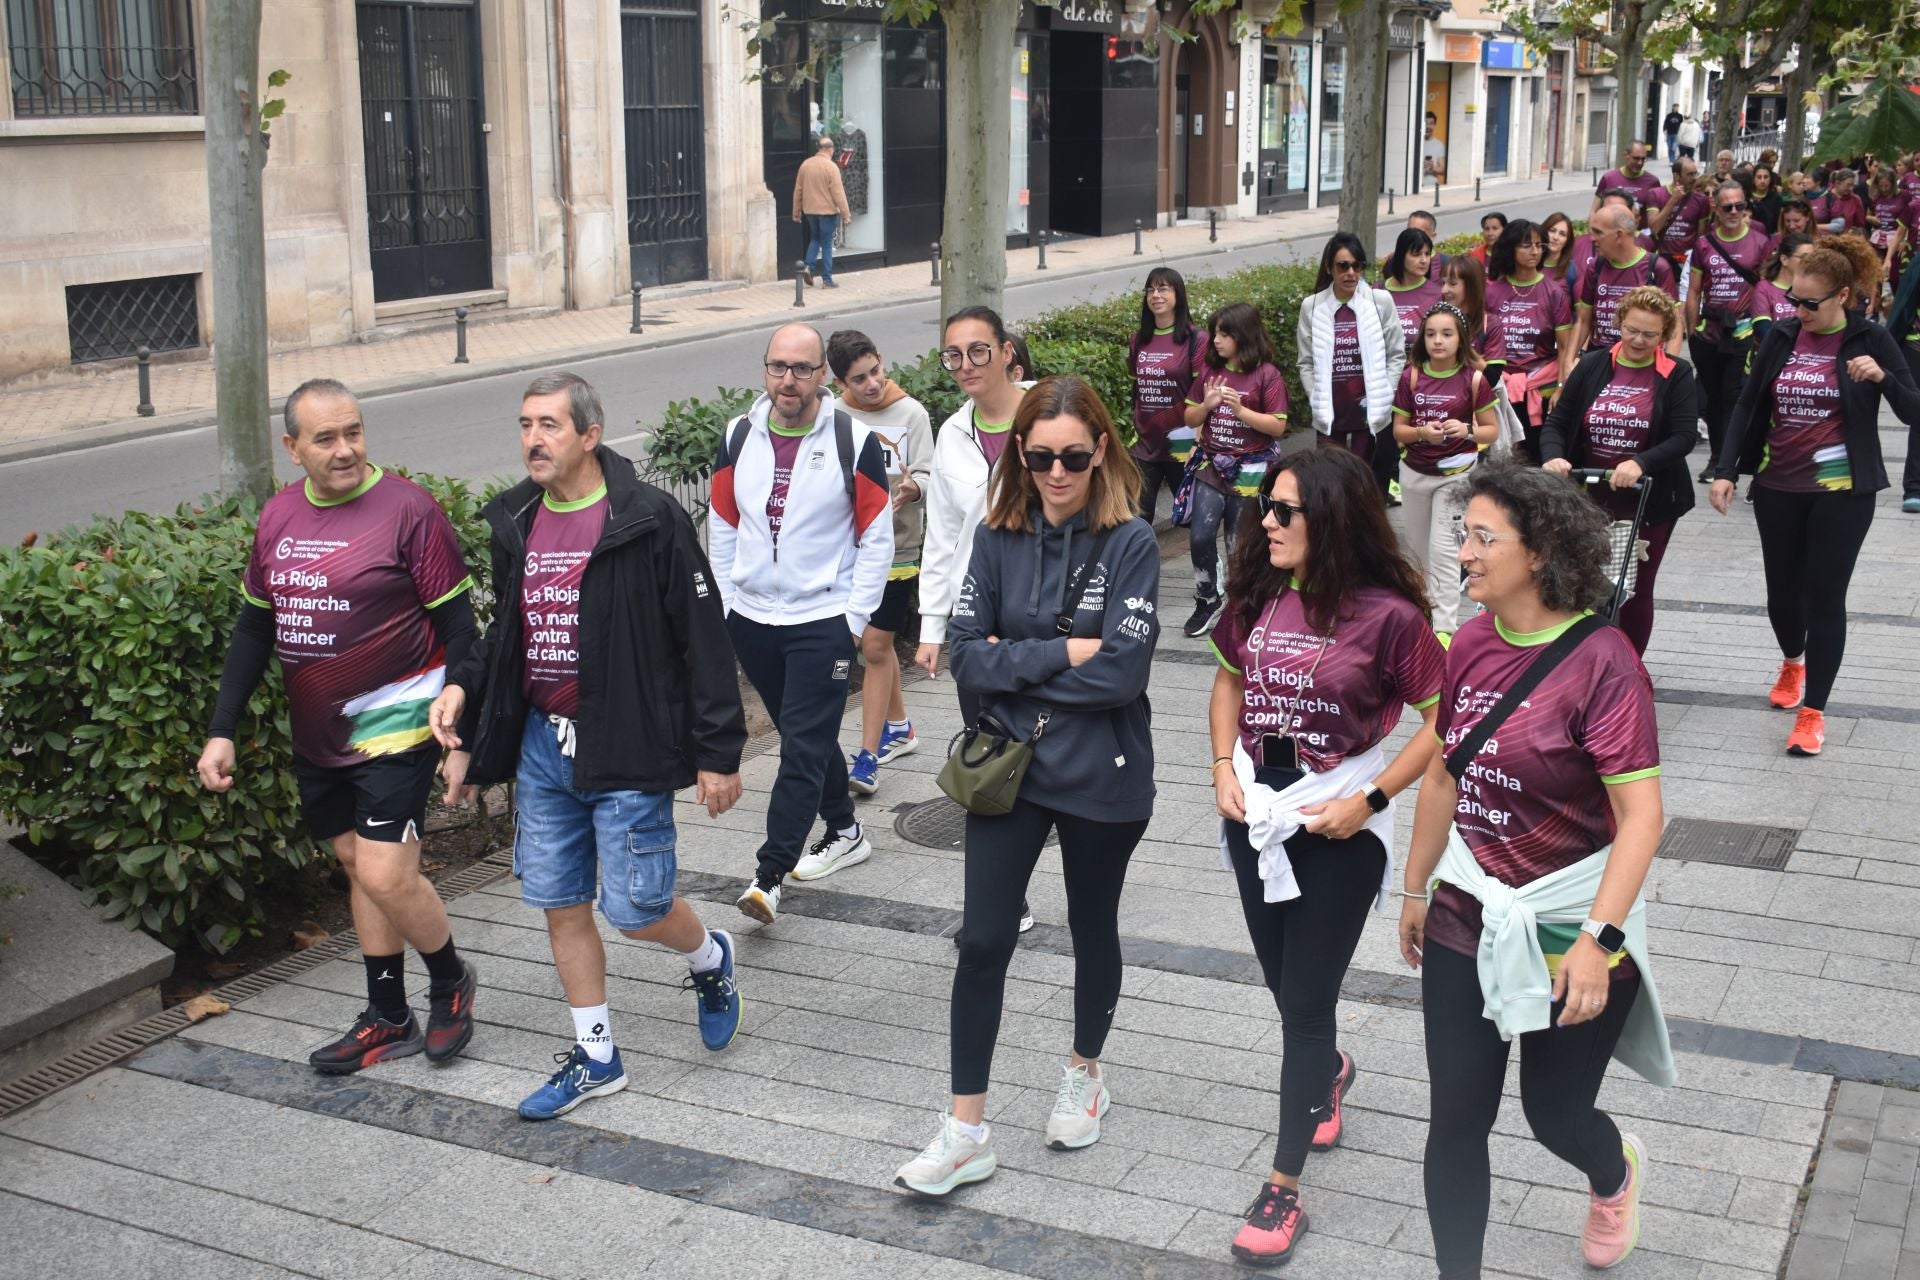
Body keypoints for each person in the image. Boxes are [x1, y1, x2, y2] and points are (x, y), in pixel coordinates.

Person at [429, 372, 746, 1119]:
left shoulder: (648, 518)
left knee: (635, 908)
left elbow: (702, 638)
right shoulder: (517, 519)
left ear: (590, 436)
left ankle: (710, 957)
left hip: (626, 739)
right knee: (559, 900)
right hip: (543, 745)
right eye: (526, 425)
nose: (534, 440)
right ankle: (597, 1056)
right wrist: (463, 693)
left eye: (550, 425)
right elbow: (508, 633)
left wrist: (719, 752)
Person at [1402, 461, 1676, 1280]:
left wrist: (1598, 940)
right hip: (1468, 908)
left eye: (1484, 538)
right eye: (1464, 535)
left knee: (1553, 1115)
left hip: (1569, 922)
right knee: (1456, 1119)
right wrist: (1416, 887)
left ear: (1541, 551)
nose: (1465, 553)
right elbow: (1444, 773)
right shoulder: (1471, 642)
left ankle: (1613, 1172)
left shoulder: (1605, 662)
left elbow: (1642, 818)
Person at [893, 375, 1159, 1196]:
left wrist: (1016, 662)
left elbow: (1123, 675)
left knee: (1091, 926)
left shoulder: (1131, 543)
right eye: (1041, 457)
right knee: (982, 940)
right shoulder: (996, 534)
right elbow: (966, 658)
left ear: (1101, 451)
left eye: (1073, 456)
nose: (1057, 472)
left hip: (1102, 772)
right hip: (1009, 770)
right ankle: (966, 1130)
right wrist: (1063, 652)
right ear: (1020, 454)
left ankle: (1085, 1072)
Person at [198, 378, 480, 1075]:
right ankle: (388, 1015)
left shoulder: (409, 510)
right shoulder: (278, 516)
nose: (346, 449)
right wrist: (222, 728)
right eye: (325, 438)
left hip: (397, 727)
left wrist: (461, 712)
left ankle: (451, 981)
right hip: (318, 736)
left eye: (353, 432)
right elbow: (254, 630)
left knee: (385, 870)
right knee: (358, 867)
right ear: (292, 448)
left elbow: (461, 629)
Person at [1207, 450, 1446, 1264]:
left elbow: (1446, 719)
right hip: (1255, 815)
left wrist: (1370, 801)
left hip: (1339, 825)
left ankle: (1282, 1190)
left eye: (1285, 511)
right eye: (1264, 507)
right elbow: (1229, 681)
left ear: (1333, 520)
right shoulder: (1257, 593)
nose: (1267, 522)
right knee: (1287, 991)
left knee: (1305, 1004)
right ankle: (1331, 1070)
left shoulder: (1390, 618)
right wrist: (1219, 767)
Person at [709, 324, 894, 917]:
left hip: (822, 619)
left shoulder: (852, 440)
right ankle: (846, 829)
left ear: (822, 375)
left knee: (802, 746)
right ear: (765, 369)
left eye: (802, 369)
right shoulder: (739, 435)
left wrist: (853, 618)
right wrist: (727, 603)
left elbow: (877, 535)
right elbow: (723, 523)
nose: (788, 380)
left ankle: (769, 876)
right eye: (778, 367)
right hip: (752, 617)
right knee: (802, 735)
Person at [1710, 237, 1920, 755]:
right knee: (1782, 596)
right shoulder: (1783, 336)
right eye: (1793, 300)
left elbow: (1913, 409)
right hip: (1778, 486)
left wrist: (1882, 377)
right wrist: (1727, 469)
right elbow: (1747, 405)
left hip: (1842, 492)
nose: (1799, 311)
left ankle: (1813, 713)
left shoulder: (1870, 338)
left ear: (1842, 295)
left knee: (1825, 597)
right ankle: (1792, 661)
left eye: (1810, 303)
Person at [1542, 287, 1700, 654]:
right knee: (1580, 581)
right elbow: (1557, 423)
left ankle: (1630, 665)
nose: (1638, 341)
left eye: (1649, 334)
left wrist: (1641, 462)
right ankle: (1583, 658)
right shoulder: (1593, 365)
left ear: (1664, 335)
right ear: (1619, 323)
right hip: (1588, 497)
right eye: (1631, 330)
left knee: (1635, 588)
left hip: (1649, 500)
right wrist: (1553, 456)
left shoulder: (1677, 373)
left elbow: (1684, 436)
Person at [827, 329, 935, 796]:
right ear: (839, 382)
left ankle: (868, 758)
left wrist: (914, 487)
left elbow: (930, 473)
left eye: (875, 371)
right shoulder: (833, 415)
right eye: (859, 379)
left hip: (898, 548)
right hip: (848, 551)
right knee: (877, 647)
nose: (872, 384)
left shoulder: (912, 413)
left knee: (872, 646)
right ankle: (901, 728)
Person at [917, 305, 1030, 718]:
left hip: (1043, 608)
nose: (966, 365)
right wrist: (932, 628)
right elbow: (942, 537)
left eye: (978, 351)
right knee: (982, 739)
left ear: (1006, 352)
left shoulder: (1050, 415)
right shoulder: (952, 433)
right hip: (975, 612)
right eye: (954, 355)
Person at [1181, 302, 1290, 637]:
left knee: (1237, 544)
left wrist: (1241, 411)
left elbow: (1277, 426)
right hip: (1211, 465)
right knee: (1200, 535)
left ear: (1244, 335)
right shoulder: (1210, 371)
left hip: (1250, 471)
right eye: (1215, 332)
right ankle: (1207, 597)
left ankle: (1241, 602)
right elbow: (1189, 417)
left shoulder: (1267, 375)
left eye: (1224, 334)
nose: (1215, 340)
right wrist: (1206, 406)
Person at [1393, 303, 1499, 633]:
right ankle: (1420, 623)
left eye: (1447, 334)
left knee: (1444, 554)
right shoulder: (1410, 377)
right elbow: (1399, 431)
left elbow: (1491, 431)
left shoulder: (1474, 379)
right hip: (1414, 474)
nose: (1438, 341)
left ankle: (1444, 631)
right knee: (1417, 554)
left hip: (1456, 478)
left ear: (1461, 339)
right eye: (1431, 334)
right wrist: (1421, 433)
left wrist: (1466, 430)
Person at [1300, 232, 1407, 510]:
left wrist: (1385, 392)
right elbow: (1306, 362)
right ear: (1329, 268)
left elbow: (1396, 354)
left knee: (1364, 487)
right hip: (1331, 411)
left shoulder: (1380, 301)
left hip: (1370, 413)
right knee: (1329, 485)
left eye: (1357, 265)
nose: (1351, 272)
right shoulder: (1312, 306)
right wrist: (1315, 396)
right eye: (1343, 266)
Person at [1687, 180, 1770, 479]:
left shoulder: (1760, 242)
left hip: (1743, 331)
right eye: (1728, 207)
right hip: (1709, 332)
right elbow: (1694, 290)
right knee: (1713, 397)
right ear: (1716, 209)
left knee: (1733, 396)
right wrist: (1691, 331)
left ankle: (1728, 461)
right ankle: (1717, 456)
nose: (1734, 211)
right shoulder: (1704, 244)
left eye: (1740, 206)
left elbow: (1766, 288)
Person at [1486, 219, 1576, 461]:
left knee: (1538, 459)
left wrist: (1560, 389)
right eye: (1527, 245)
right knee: (1502, 462)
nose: (1535, 251)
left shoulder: (1554, 292)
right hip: (1499, 388)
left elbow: (1565, 348)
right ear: (1510, 248)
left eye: (1539, 245)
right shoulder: (1492, 292)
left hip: (1541, 390)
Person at [1129, 267, 1209, 521]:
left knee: (1192, 521)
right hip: (1144, 446)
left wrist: (1199, 443)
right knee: (1137, 520)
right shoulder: (1138, 340)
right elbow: (1136, 390)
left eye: (1163, 288)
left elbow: (1204, 397)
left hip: (1183, 445)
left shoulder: (1196, 339)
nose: (1155, 295)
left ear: (1178, 294)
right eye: (1150, 290)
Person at [1574, 206, 1679, 356]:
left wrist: (1670, 364)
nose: (1592, 238)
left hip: (1642, 359)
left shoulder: (1656, 267)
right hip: (1601, 357)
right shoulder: (1596, 266)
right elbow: (1584, 320)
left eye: (1598, 232)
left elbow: (1675, 324)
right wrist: (1570, 360)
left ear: (1618, 235)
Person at [792, 134, 852, 288]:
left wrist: (796, 212)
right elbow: (838, 193)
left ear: (818, 149)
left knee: (815, 239)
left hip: (810, 211)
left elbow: (798, 190)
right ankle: (827, 279)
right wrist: (846, 214)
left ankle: (808, 267)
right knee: (826, 244)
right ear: (830, 149)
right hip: (827, 212)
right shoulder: (831, 167)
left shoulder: (806, 165)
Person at [1382, 226, 1444, 352]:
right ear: (1401, 256)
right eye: (1416, 254)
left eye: (1427, 254)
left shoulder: (1438, 295)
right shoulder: (1377, 292)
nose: (1424, 260)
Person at [1750, 232, 1814, 346]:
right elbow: (1763, 329)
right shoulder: (1764, 288)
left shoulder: (1813, 289)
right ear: (1784, 259)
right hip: (1776, 352)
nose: (1809, 263)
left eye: (1812, 258)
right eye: (1804, 257)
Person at [1650, 158, 1708, 285]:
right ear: (1677, 176)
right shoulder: (1656, 194)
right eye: (1690, 174)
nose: (1694, 178)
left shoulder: (1701, 200)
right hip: (1661, 258)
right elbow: (1654, 228)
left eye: (1695, 173)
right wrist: (1673, 201)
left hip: (1685, 261)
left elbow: (1701, 236)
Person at [1592, 141, 1667, 231]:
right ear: (1625, 155)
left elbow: (1656, 217)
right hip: (1611, 235)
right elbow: (1594, 211)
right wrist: (1592, 234)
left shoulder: (1653, 182)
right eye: (1636, 158)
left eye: (1643, 159)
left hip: (1640, 236)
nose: (1640, 163)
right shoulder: (1608, 178)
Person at [1814, 167, 1867, 235]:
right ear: (1837, 183)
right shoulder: (1824, 197)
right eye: (1848, 185)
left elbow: (1860, 226)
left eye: (1852, 185)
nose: (1851, 188)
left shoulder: (1855, 200)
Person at [1407, 209, 1450, 274]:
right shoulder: (1395, 261)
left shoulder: (1446, 264)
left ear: (1432, 236)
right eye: (1409, 231)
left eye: (1419, 233)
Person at [1540, 211, 1576, 285]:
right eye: (1552, 231)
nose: (1556, 237)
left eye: (1562, 234)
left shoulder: (1571, 270)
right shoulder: (1529, 263)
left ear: (1567, 241)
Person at [1750, 164, 1783, 234]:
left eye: (1766, 177)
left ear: (1770, 179)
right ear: (1753, 179)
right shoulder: (1747, 196)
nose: (1762, 181)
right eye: (1759, 177)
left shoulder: (1776, 198)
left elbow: (1777, 223)